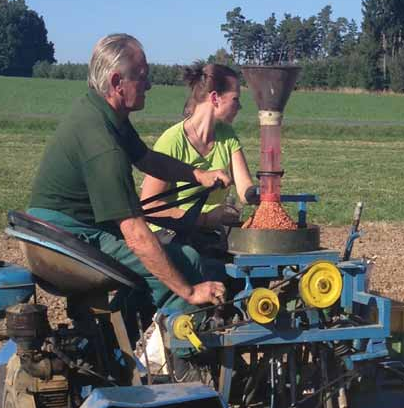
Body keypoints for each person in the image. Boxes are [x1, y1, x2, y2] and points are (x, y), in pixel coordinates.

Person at [27, 34, 228, 320]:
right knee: (183, 266)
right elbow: (134, 233)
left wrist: (197, 175)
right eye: (142, 77)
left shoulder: (102, 112)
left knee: (178, 258)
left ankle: (126, 342)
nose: (149, 85)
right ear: (117, 82)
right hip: (70, 238)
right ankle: (181, 359)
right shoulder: (102, 142)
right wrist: (191, 292)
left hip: (69, 229)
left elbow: (147, 159)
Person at [139, 61, 256, 243]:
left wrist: (264, 192)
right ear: (215, 98)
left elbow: (245, 190)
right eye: (236, 99)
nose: (239, 107)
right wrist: (204, 220)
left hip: (208, 234)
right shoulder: (173, 141)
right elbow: (150, 206)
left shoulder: (227, 135)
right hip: (170, 235)